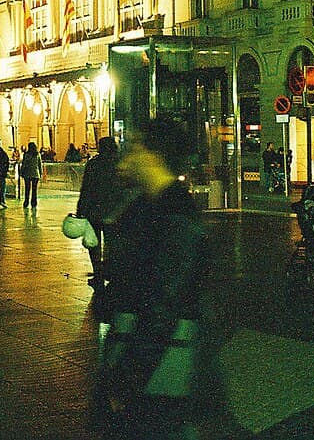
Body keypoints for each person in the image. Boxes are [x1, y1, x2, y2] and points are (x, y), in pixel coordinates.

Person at [96, 119, 211, 439]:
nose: (127, 157)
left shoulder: (175, 213)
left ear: (154, 155)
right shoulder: (144, 205)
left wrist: (126, 379)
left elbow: (165, 302)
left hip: (160, 374)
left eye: (134, 147)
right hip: (142, 363)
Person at [76, 136, 126, 294]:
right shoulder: (120, 164)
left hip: (94, 210)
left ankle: (98, 273)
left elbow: (86, 188)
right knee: (112, 244)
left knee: (94, 244)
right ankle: (111, 272)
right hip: (114, 211)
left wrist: (80, 209)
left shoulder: (94, 164)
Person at [21, 142, 44, 210]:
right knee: (34, 190)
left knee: (27, 189)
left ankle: (26, 202)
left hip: (27, 174)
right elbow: (40, 164)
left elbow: (24, 164)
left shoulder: (26, 154)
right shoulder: (38, 154)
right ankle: (34, 203)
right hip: (35, 174)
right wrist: (40, 173)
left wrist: (22, 172)